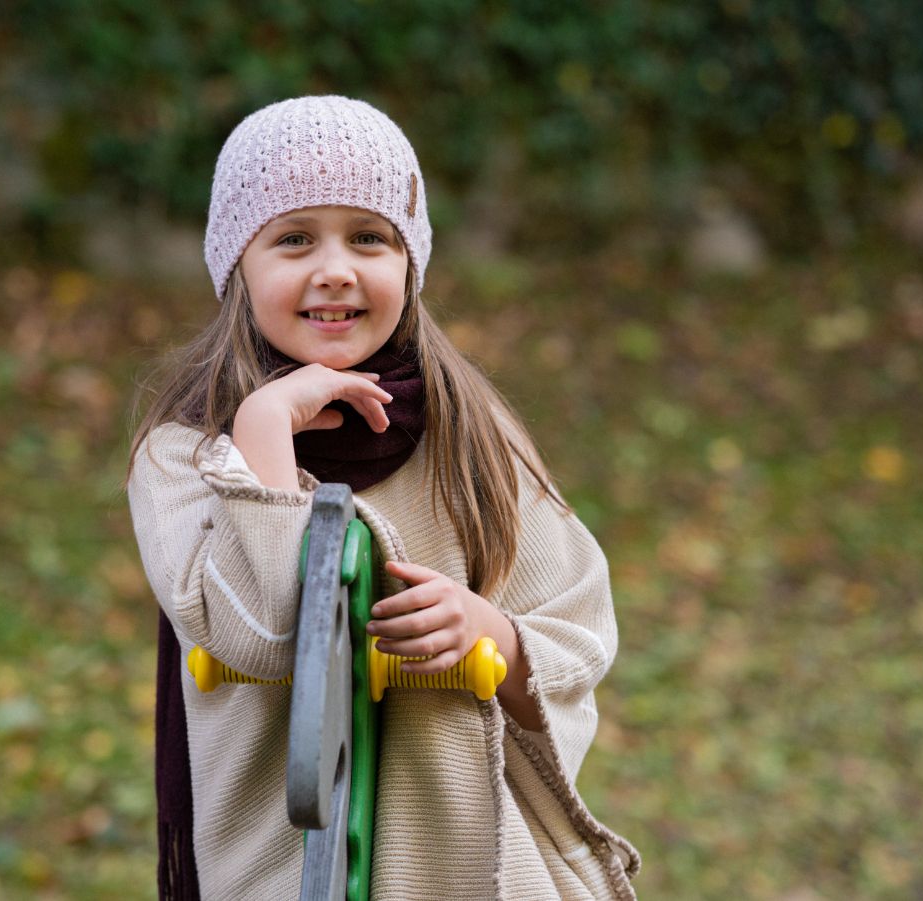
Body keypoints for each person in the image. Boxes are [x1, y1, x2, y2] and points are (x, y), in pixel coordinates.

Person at [127, 94, 640, 901]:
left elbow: (579, 621)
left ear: (410, 264)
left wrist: (494, 635)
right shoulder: (185, 456)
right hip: (282, 871)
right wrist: (264, 431)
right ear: (237, 266)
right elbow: (258, 635)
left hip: (467, 870)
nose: (335, 268)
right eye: (293, 238)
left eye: (369, 237)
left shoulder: (470, 431)